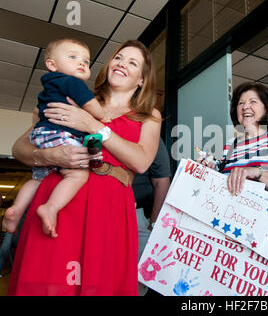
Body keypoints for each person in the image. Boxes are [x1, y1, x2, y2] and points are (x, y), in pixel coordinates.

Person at [8, 39, 161, 296]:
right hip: (59, 202)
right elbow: (19, 149)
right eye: (118, 57)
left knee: (98, 285)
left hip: (109, 208)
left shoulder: (149, 115)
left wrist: (94, 126)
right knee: (48, 282)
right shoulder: (73, 94)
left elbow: (141, 161)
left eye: (132, 62)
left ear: (142, 80)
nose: (122, 64)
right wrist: (49, 154)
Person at [2, 38, 108, 238]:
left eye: (86, 61)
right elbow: (92, 107)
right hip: (59, 133)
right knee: (77, 175)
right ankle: (50, 207)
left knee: (38, 178)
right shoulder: (72, 82)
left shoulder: (50, 87)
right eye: (73, 57)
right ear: (51, 64)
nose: (81, 63)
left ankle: (16, 210)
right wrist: (102, 116)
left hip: (42, 134)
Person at [198, 82, 268, 198]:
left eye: (253, 101)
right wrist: (210, 169)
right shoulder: (231, 143)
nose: (245, 107)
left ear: (266, 108)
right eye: (241, 103)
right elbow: (226, 182)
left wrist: (257, 172)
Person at [132, 137, 171, 296]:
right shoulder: (94, 126)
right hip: (100, 214)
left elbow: (161, 181)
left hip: (137, 213)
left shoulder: (147, 133)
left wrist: (154, 224)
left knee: (138, 282)